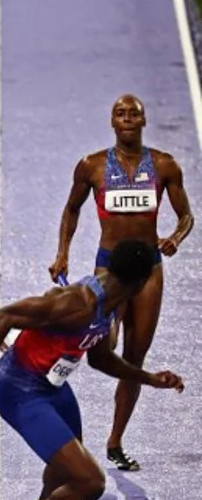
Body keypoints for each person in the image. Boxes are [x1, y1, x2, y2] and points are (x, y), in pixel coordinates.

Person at [0, 240, 184, 500]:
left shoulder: (112, 303)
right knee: (89, 482)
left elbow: (101, 359)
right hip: (20, 389)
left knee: (67, 469)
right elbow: (4, 317)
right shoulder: (76, 304)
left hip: (54, 386)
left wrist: (149, 378)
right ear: (141, 282)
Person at [48, 95, 194, 471]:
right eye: (120, 113)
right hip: (109, 269)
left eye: (133, 113)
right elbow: (72, 208)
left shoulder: (164, 166)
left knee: (134, 357)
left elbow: (186, 216)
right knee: (104, 343)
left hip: (149, 270)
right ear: (112, 122)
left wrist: (175, 238)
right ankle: (50, 378)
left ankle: (115, 442)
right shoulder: (92, 166)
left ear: (143, 120)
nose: (127, 118)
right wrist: (62, 252)